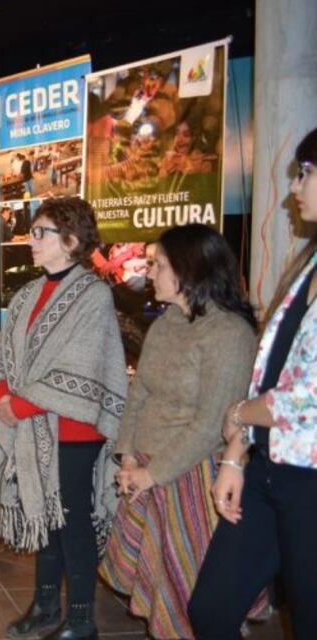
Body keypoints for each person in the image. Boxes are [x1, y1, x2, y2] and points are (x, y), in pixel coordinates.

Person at [99, 224, 261, 639]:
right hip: (150, 471)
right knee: (164, 591)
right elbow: (141, 393)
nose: (149, 273)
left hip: (194, 480)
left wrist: (151, 474)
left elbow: (212, 424)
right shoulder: (168, 322)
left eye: (160, 265)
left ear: (190, 271)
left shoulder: (229, 334)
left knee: (194, 594)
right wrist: (130, 455)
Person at [0, 197, 127, 640]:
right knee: (44, 515)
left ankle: (81, 618)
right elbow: (0, 353)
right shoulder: (25, 294)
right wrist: (2, 392)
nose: (31, 241)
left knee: (71, 518)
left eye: (40, 233)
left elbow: (81, 366)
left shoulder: (93, 294)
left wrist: (20, 404)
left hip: (75, 429)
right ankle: (44, 605)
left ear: (71, 241)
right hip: (32, 422)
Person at [189, 128, 317, 638]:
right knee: (211, 610)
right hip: (268, 470)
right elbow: (270, 374)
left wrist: (238, 417)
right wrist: (234, 456)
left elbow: (307, 399)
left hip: (309, 480)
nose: (295, 188)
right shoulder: (307, 265)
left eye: (306, 173)